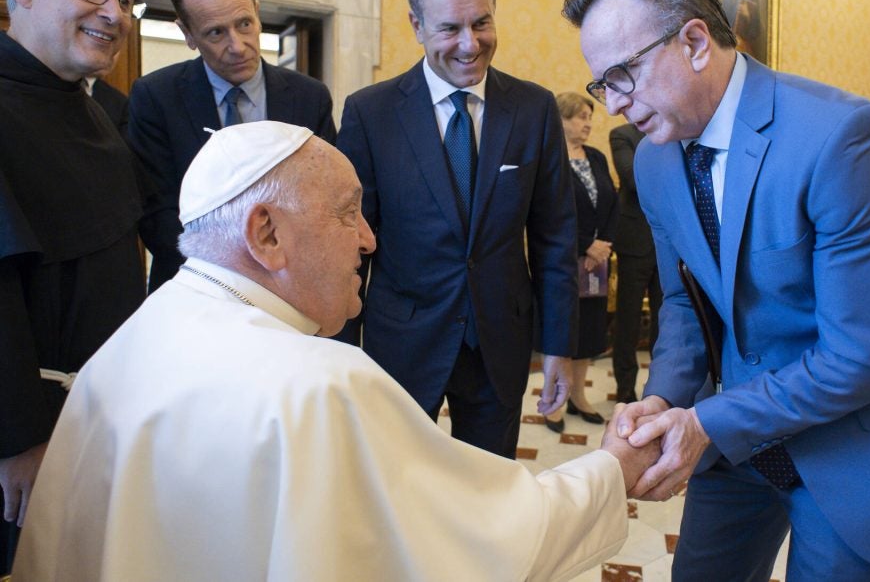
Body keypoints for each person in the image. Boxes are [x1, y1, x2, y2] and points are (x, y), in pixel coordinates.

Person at [12, 121, 658, 582]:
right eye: (349, 212)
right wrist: (612, 469)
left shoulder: (137, 336)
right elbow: (488, 540)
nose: (370, 239)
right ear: (265, 231)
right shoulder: (319, 384)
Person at [562, 0, 870, 581]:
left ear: (696, 42)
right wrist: (661, 403)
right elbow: (684, 303)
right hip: (738, 438)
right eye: (602, 85)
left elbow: (864, 356)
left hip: (852, 436)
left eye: (622, 75)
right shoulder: (654, 161)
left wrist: (706, 421)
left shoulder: (844, 138)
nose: (614, 104)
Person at [336, 0, 578, 458]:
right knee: (396, 492)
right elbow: (350, 245)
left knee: (489, 497)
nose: (470, 44)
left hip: (499, 343)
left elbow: (556, 235)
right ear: (416, 25)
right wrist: (341, 352)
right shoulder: (370, 114)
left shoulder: (533, 109)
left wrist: (558, 346)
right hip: (400, 343)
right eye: (450, 28)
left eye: (482, 23)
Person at [0, 0, 147, 574]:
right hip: (27, 428)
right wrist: (17, 437)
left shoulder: (101, 111)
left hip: (97, 412)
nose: (113, 13)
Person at [126, 0, 336, 294]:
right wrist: (236, 277)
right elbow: (156, 212)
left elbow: (325, 198)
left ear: (256, 11)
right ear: (187, 33)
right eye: (215, 33)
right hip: (193, 287)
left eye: (244, 24)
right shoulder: (155, 97)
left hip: (290, 287)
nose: (237, 46)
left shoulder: (309, 97)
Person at [543, 92, 618, 433]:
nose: (588, 123)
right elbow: (547, 216)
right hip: (562, 263)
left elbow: (613, 205)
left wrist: (603, 247)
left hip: (597, 264)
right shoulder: (549, 160)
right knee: (562, 330)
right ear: (561, 119)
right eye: (580, 117)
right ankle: (552, 401)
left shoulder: (597, 158)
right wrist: (587, 245)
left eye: (590, 116)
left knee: (589, 330)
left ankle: (577, 397)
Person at [609, 122, 662, 404]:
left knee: (665, 320)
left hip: (667, 244)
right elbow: (631, 178)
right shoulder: (622, 135)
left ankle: (661, 387)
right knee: (627, 322)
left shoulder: (673, 129)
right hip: (634, 242)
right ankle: (624, 387)